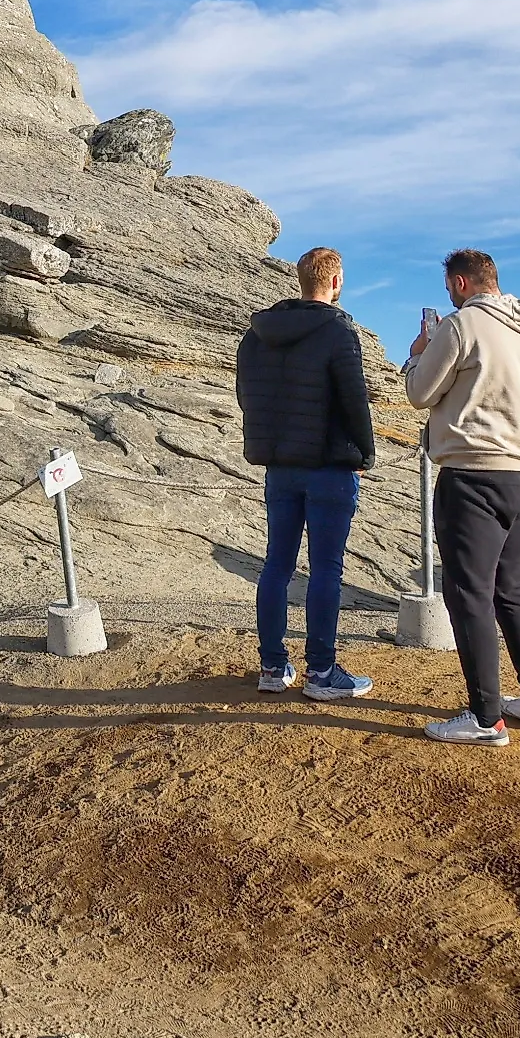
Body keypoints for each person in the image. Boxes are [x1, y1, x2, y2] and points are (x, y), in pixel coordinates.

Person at [402, 248, 520, 746]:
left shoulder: (459, 326)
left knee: (468, 594)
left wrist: (417, 353)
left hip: (472, 475)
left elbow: (421, 393)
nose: (449, 294)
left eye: (451, 286)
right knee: (512, 592)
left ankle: (485, 716)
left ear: (462, 283)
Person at [235, 245, 376, 701]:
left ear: (301, 279)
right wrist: (365, 453)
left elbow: (247, 396)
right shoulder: (339, 332)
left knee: (276, 564)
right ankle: (321, 672)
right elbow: (355, 400)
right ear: (335, 282)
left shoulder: (258, 334)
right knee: (325, 570)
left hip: (281, 465)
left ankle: (273, 667)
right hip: (329, 465)